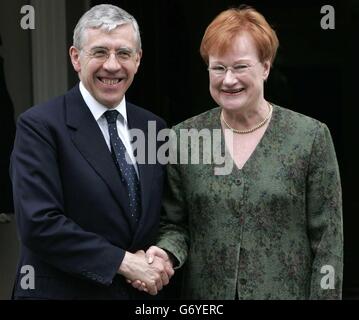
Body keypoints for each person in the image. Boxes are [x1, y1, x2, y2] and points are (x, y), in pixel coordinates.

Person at [138, 6, 343, 299]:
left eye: (240, 67)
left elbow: (328, 243)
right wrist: (165, 254)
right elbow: (175, 225)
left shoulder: (310, 137)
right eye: (218, 67)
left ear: (266, 67)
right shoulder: (183, 138)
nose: (228, 79)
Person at [10, 4, 173, 299]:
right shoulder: (40, 126)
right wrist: (124, 263)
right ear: (76, 57)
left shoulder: (154, 126)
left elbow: (162, 214)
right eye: (99, 52)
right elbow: (39, 223)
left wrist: (159, 256)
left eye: (123, 53)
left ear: (138, 60)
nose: (112, 65)